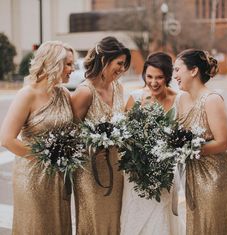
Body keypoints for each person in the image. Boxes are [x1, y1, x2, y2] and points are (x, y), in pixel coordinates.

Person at [0, 41, 75, 235]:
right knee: (37, 226)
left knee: (57, 225)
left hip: (58, 176)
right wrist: (46, 157)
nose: (72, 69)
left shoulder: (65, 94)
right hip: (32, 176)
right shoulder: (27, 94)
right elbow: (6, 139)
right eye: (68, 64)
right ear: (53, 63)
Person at [71, 36, 131, 235]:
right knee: (95, 219)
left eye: (124, 65)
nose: (122, 69)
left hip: (116, 165)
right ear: (104, 59)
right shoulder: (85, 92)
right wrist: (94, 141)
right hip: (90, 170)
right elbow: (70, 133)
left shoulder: (118, 88)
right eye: (119, 63)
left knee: (115, 219)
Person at [174, 49, 227, 235]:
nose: (174, 75)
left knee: (212, 226)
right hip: (193, 174)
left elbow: (223, 142)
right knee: (196, 226)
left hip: (214, 176)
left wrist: (188, 150)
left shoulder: (212, 100)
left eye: (177, 70)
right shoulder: (181, 100)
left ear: (193, 71)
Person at [121, 52, 180, 235]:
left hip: (164, 171)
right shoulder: (136, 98)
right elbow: (124, 134)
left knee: (160, 213)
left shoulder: (178, 99)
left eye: (159, 77)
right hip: (137, 172)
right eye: (149, 77)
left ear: (168, 77)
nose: (153, 82)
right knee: (136, 215)